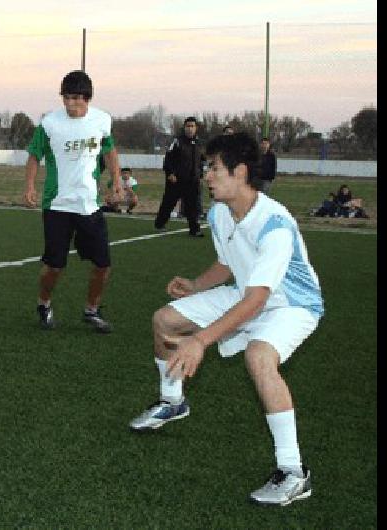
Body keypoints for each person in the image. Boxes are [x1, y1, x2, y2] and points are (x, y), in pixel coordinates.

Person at [128, 132, 323, 506]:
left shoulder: (275, 224)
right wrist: (197, 285)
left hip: (291, 303)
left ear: (241, 172)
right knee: (164, 321)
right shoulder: (220, 212)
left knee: (259, 358)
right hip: (247, 292)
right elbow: (227, 263)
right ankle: (172, 402)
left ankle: (294, 473)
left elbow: (259, 298)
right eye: (206, 167)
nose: (206, 175)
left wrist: (201, 340)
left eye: (214, 168)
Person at [23, 70, 121, 333]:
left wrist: (117, 181)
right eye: (67, 98)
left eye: (77, 98)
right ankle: (44, 304)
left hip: (90, 204)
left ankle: (92, 309)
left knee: (103, 265)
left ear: (88, 98)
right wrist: (30, 186)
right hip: (57, 205)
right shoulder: (50, 123)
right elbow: (34, 155)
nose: (71, 104)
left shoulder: (102, 120)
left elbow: (109, 150)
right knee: (54, 266)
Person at [155, 116, 205, 237]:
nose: (190, 129)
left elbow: (201, 160)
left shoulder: (198, 143)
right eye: (188, 126)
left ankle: (195, 230)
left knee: (192, 205)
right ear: (184, 127)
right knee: (169, 203)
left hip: (192, 180)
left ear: (196, 128)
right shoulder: (177, 141)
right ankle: (160, 224)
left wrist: (201, 173)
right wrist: (170, 173)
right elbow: (168, 158)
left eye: (192, 126)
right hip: (176, 180)